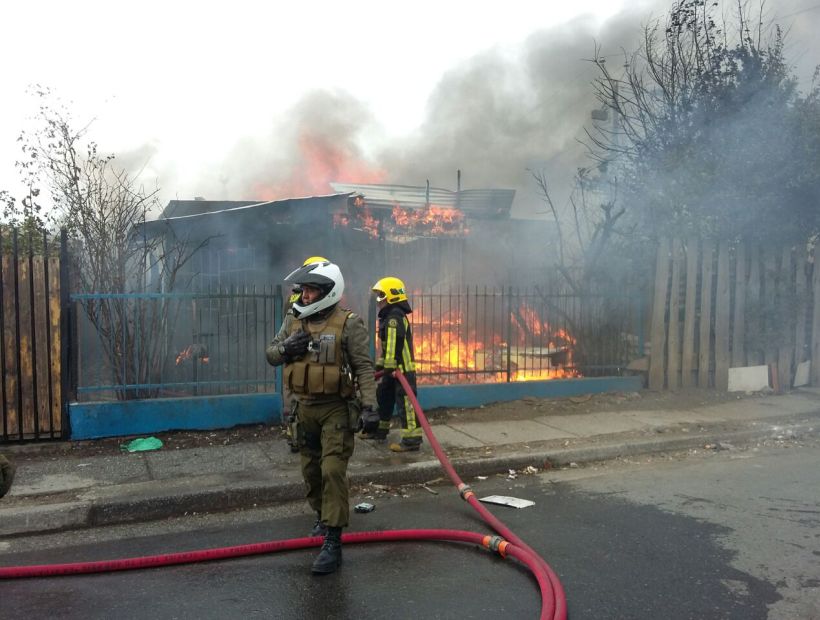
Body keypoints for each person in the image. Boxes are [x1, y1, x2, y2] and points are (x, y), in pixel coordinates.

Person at [265, 260, 377, 575]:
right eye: (304, 289)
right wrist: (286, 348)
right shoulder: (292, 320)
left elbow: (363, 367)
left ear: (328, 291)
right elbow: (271, 354)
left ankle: (333, 541)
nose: (305, 295)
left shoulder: (349, 323)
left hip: (335, 410)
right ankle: (321, 515)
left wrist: (370, 406)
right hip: (304, 410)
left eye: (312, 289)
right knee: (311, 474)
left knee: (331, 472)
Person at [364, 276, 423, 453]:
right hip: (393, 369)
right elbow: (386, 346)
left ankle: (412, 439)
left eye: (381, 296)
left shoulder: (394, 316)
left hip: (402, 369)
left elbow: (393, 343)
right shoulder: (390, 315)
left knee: (406, 403)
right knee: (384, 397)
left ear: (392, 296)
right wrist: (382, 365)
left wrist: (388, 364)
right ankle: (380, 431)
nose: (378, 301)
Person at [282, 256, 329, 453]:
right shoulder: (301, 297)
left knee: (294, 395)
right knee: (298, 396)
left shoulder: (293, 295)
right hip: (300, 347)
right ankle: (298, 437)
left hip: (294, 349)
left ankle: (295, 436)